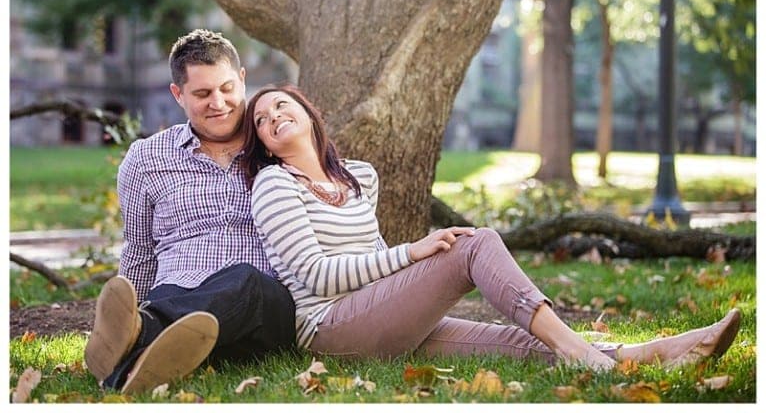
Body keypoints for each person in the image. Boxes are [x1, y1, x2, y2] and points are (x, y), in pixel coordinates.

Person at [245, 85, 742, 369]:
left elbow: (369, 255)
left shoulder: (358, 177)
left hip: (378, 315)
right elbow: (316, 276)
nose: (273, 116)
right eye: (262, 119)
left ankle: (660, 352)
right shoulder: (273, 185)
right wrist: (411, 256)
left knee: (519, 343)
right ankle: (582, 353)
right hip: (329, 330)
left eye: (280, 104)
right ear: (265, 143)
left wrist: (405, 276)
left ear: (306, 110)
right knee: (474, 244)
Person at [84, 31, 295, 396]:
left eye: (227, 88)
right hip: (177, 292)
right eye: (202, 94)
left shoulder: (277, 144)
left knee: (245, 280)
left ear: (243, 79)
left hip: (263, 308)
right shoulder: (146, 159)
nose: (219, 103)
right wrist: (125, 304)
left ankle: (142, 335)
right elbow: (140, 250)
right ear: (177, 95)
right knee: (181, 302)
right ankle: (148, 352)